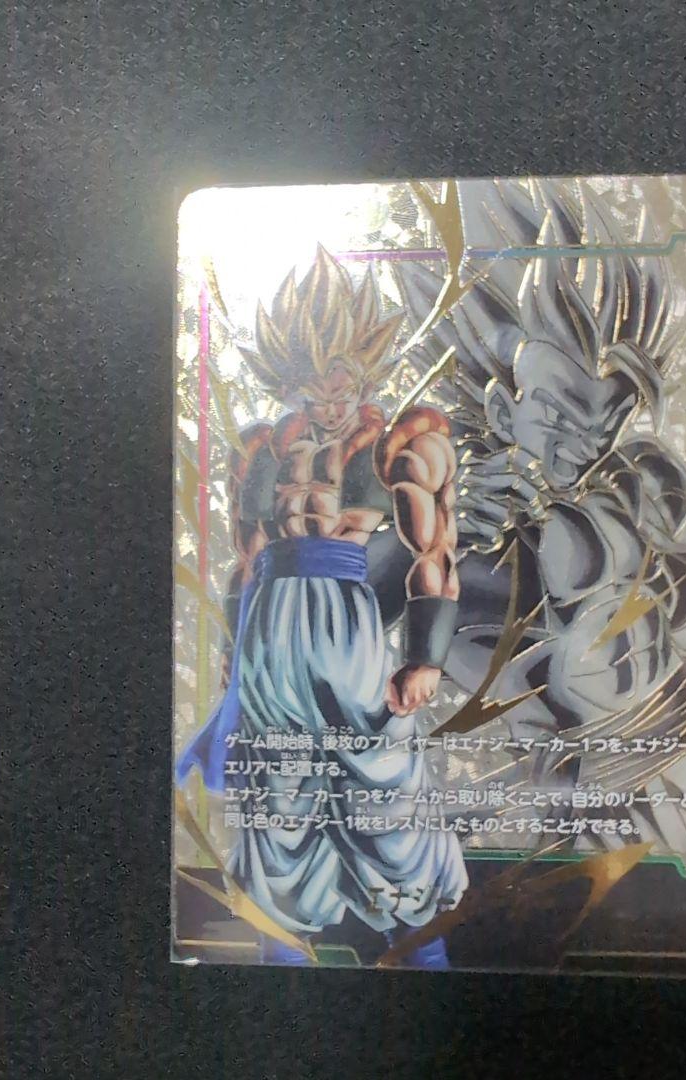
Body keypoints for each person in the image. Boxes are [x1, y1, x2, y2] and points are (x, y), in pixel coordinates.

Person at [177, 246, 466, 967]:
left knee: (384, 794)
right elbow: (247, 560)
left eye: (343, 379)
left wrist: (425, 658)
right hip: (269, 635)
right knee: (278, 801)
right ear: (289, 376)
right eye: (314, 382)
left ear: (366, 367)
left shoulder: (400, 443)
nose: (331, 398)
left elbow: (434, 551)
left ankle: (428, 964)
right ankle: (280, 973)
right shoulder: (263, 449)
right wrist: (232, 655)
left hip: (346, 628)